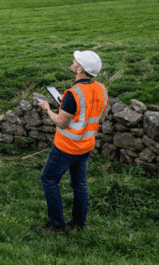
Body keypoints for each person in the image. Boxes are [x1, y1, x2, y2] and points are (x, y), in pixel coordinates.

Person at [35, 50, 109, 235]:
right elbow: (98, 119)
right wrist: (68, 107)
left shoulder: (73, 93)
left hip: (66, 146)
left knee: (49, 179)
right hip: (86, 145)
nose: (73, 61)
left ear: (80, 69)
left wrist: (47, 109)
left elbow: (61, 121)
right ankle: (78, 222)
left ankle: (57, 226)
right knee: (80, 184)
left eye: (76, 60)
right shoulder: (102, 89)